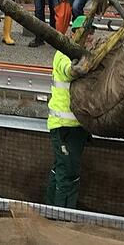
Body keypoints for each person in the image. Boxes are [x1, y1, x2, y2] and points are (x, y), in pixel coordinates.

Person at [45, 34, 91, 208]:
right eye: (88, 33)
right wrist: (76, 69)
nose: (90, 38)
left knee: (61, 168)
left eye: (92, 34)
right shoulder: (62, 55)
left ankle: (50, 207)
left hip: (78, 127)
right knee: (68, 173)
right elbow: (67, 70)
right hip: (63, 127)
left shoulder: (87, 54)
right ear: (75, 33)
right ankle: (63, 217)